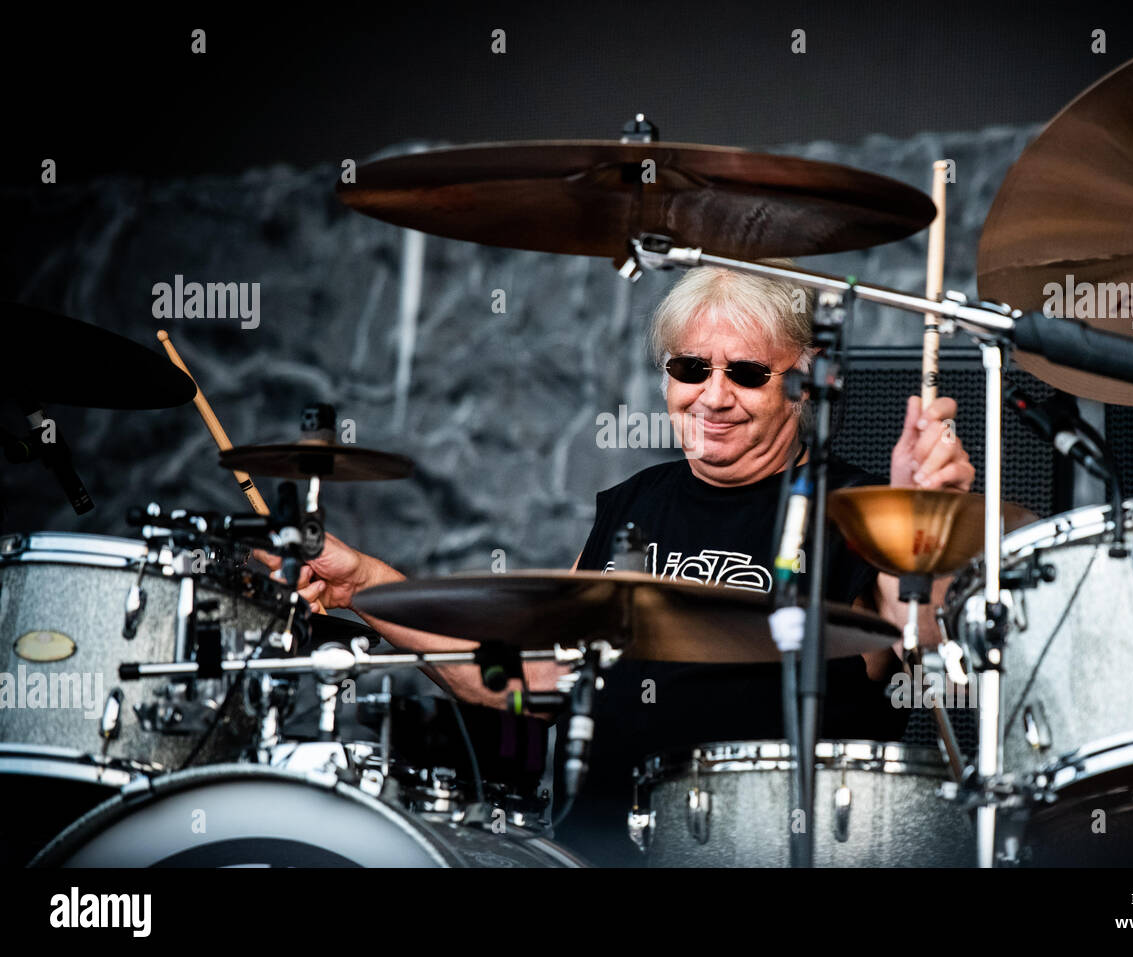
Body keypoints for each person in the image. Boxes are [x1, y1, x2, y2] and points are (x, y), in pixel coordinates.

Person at [260, 263, 974, 865]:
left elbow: (917, 633)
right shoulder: (632, 506)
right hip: (593, 849)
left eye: (749, 373)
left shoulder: (853, 509)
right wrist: (369, 586)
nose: (714, 396)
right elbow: (527, 677)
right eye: (692, 368)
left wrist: (920, 521)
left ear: (802, 381)